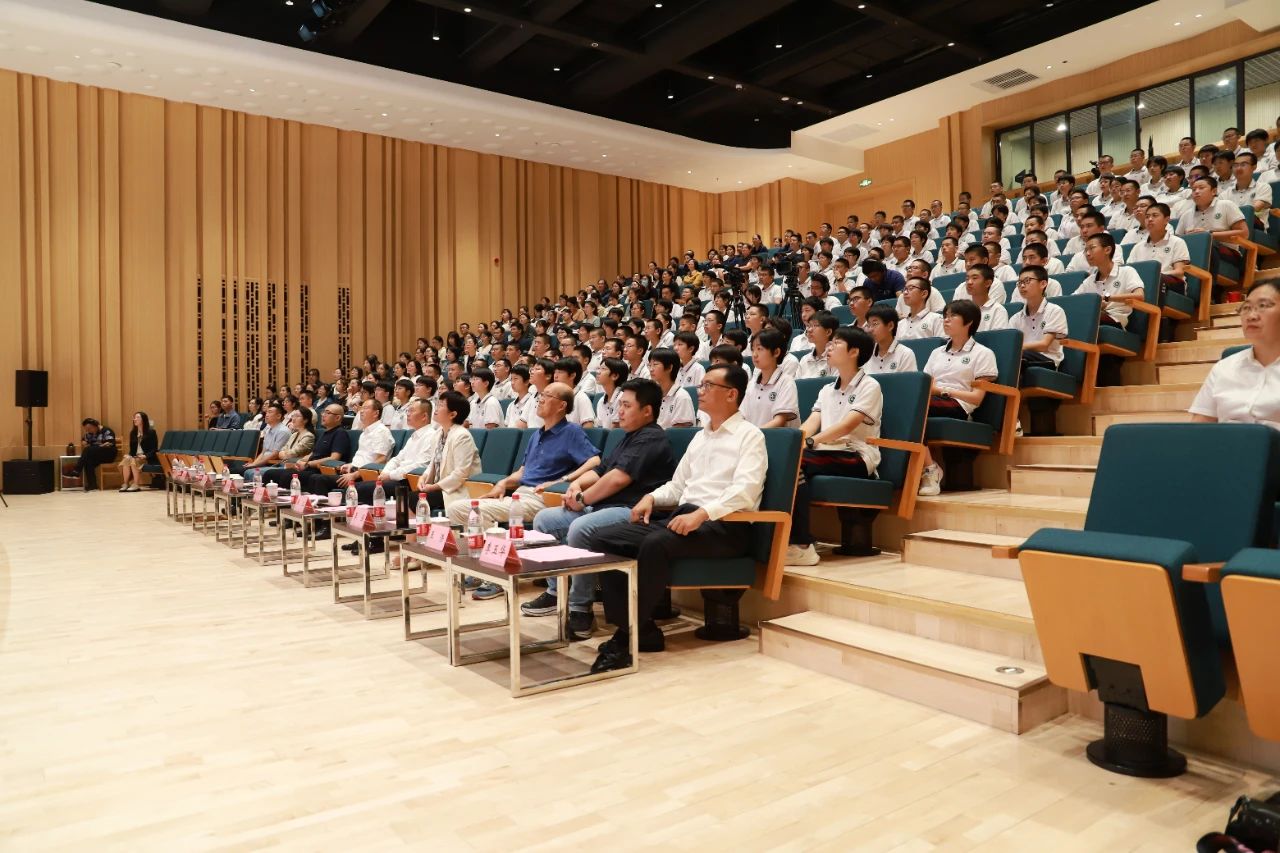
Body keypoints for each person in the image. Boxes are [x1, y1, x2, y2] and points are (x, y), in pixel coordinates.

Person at [586, 365, 766, 672]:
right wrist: (651, 497)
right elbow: (677, 485)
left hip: (726, 527)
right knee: (604, 538)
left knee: (656, 543)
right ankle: (642, 629)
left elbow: (745, 492)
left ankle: (625, 639)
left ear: (732, 394)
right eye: (701, 384)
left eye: (708, 385)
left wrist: (702, 514)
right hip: (686, 518)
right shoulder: (701, 437)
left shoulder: (750, 436)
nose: (700, 390)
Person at [524, 379, 678, 639]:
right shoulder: (628, 438)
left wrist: (583, 499)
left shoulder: (652, 437)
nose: (620, 411)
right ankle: (555, 591)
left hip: (632, 510)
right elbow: (600, 470)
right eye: (620, 405)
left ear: (647, 411)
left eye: (627, 406)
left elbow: (617, 479)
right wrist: (576, 484)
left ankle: (580, 608)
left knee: (580, 528)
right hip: (606, 506)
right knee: (544, 520)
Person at [451, 383, 601, 600]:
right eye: (541, 395)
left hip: (541, 498)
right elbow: (523, 471)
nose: (540, 399)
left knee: (476, 512)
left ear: (562, 405)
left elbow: (595, 461)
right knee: (457, 509)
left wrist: (562, 480)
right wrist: (503, 483)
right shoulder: (536, 434)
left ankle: (497, 574)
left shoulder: (571, 432)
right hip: (521, 494)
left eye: (547, 395)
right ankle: (487, 565)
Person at [787, 326, 883, 566]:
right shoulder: (827, 389)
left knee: (797, 461)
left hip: (857, 455)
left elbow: (847, 426)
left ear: (854, 352)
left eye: (836, 343)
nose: (829, 347)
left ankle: (801, 544)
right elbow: (812, 422)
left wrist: (811, 442)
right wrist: (792, 442)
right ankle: (791, 539)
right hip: (827, 452)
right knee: (786, 459)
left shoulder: (869, 386)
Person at [917, 300, 998, 496]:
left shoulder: (983, 353)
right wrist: (940, 391)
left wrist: (945, 391)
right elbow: (927, 386)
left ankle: (930, 470)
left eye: (952, 316)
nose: (946, 320)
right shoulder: (936, 352)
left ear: (969, 322)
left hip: (960, 405)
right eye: (945, 316)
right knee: (908, 408)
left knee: (914, 408)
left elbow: (976, 398)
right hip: (935, 400)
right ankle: (927, 466)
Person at [1189, 281, 1280, 429]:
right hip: (1226, 443)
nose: (1251, 316)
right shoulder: (1224, 367)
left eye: (1263, 306)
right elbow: (1199, 428)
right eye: (1246, 308)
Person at [415, 391, 482, 515]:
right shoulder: (438, 434)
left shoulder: (462, 436)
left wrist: (434, 487)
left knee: (413, 500)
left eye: (441, 405)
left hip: (456, 491)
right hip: (439, 488)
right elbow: (433, 464)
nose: (436, 408)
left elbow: (461, 473)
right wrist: (422, 478)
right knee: (408, 496)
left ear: (452, 414)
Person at [325, 399, 394, 492]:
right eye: (361, 408)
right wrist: (350, 465)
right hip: (354, 471)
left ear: (376, 413)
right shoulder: (364, 432)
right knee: (316, 478)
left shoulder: (381, 431)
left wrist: (355, 475)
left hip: (365, 476)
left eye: (366, 408)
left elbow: (381, 460)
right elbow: (362, 457)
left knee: (320, 480)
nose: (361, 411)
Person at [1010, 267, 1068, 373]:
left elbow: (1044, 345)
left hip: (1048, 360)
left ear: (1043, 284)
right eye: (1020, 282)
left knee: (1015, 355)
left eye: (1027, 281)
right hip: (1024, 356)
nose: (1022, 286)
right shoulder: (1015, 318)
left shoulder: (1055, 311)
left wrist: (1016, 348)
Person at [744, 328, 799, 428]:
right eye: (752, 349)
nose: (754, 354)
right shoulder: (752, 384)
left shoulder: (786, 382)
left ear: (776, 352)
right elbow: (742, 417)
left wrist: (754, 435)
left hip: (774, 437)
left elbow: (779, 421)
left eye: (759, 349)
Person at [863, 304, 918, 374]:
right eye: (868, 325)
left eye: (875, 324)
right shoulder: (866, 353)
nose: (870, 329)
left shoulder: (905, 354)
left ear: (890, 326)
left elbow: (908, 381)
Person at [649, 348, 695, 428]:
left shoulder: (682, 397)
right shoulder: (652, 395)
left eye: (655, 364)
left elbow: (680, 432)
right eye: (650, 365)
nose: (651, 369)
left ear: (670, 368)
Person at [117, 411, 157, 492]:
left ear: (143, 420)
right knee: (126, 460)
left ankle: (136, 484)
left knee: (134, 460)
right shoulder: (133, 433)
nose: (135, 419)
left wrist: (145, 456)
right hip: (136, 456)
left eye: (137, 417)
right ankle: (126, 484)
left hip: (147, 457)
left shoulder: (151, 432)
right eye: (134, 417)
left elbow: (154, 449)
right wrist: (129, 455)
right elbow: (132, 450)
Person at [243, 403, 290, 470]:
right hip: (264, 463)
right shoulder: (268, 430)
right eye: (266, 412)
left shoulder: (283, 431)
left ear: (278, 416)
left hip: (274, 464)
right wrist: (253, 464)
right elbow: (263, 452)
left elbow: (275, 455)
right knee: (240, 470)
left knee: (245, 471)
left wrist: (255, 465)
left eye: (270, 412)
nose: (266, 415)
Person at [797, 311, 839, 379]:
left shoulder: (837, 359)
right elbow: (797, 384)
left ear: (828, 332)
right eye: (809, 326)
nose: (809, 330)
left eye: (815, 325)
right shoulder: (804, 359)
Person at [593, 357, 630, 429]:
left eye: (603, 369)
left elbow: (615, 430)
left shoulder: (622, 399)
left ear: (615, 376)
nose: (598, 372)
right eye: (599, 368)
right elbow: (599, 428)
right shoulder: (601, 401)